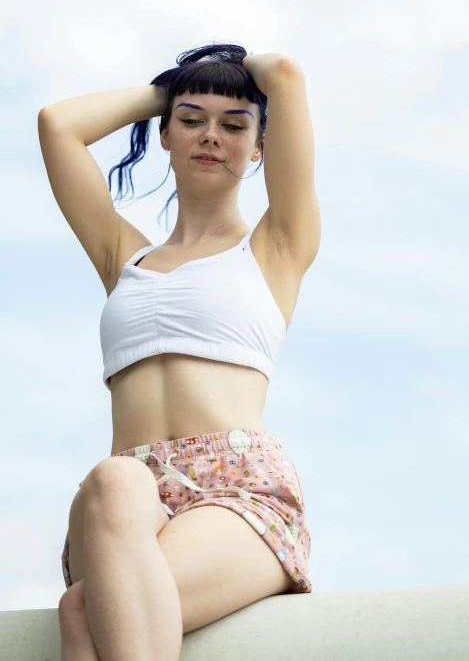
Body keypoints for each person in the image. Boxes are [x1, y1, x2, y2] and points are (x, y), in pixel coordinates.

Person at [39, 42, 321, 658]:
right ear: (164, 135)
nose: (210, 136)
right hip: (123, 502)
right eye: (191, 121)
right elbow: (58, 125)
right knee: (115, 478)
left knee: (82, 612)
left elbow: (285, 74)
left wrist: (215, 76)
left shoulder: (275, 247)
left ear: (260, 146)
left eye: (234, 124)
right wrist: (172, 89)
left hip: (236, 490)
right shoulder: (125, 258)